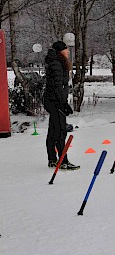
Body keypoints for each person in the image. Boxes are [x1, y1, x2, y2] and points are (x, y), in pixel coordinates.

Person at [43, 41, 79, 170]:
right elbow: (57, 86)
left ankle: (52, 159)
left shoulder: (56, 62)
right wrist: (63, 103)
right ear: (60, 51)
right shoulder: (57, 64)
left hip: (53, 100)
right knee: (60, 131)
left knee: (53, 129)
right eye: (66, 49)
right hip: (55, 101)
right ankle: (63, 160)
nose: (68, 51)